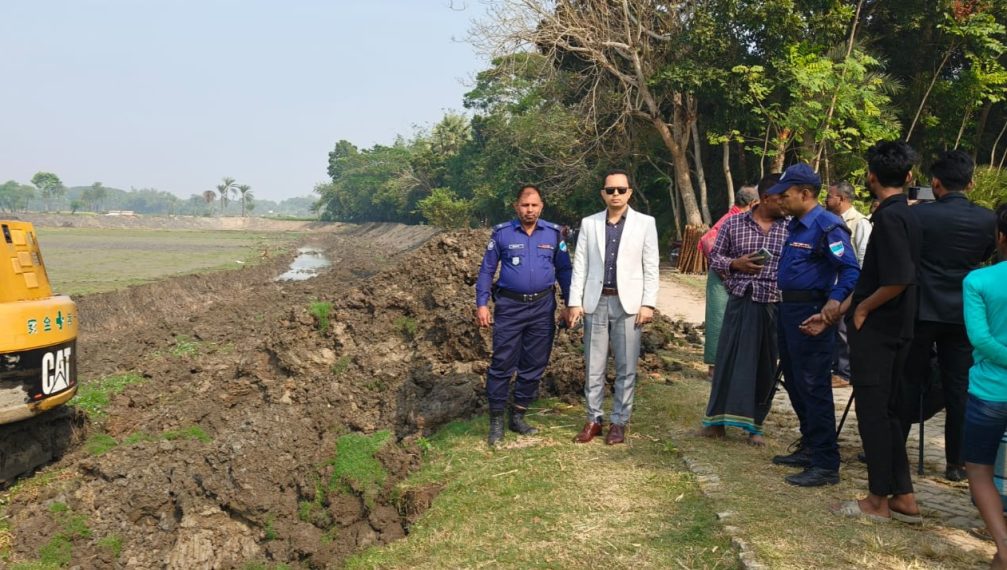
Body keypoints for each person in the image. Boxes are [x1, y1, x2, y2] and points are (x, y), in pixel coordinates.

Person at [818, 140, 922, 522]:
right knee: (888, 414)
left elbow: (898, 279)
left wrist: (862, 309)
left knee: (874, 415)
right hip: (897, 328)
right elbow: (874, 278)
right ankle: (904, 497)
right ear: (909, 176)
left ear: (871, 176)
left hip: (880, 332)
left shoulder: (890, 219)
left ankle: (877, 501)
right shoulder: (907, 214)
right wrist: (840, 309)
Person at [900, 149, 997, 481]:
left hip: (922, 308)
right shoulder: (987, 219)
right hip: (964, 312)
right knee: (959, 387)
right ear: (971, 183)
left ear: (935, 182)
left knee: (909, 379)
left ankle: (896, 450)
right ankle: (957, 462)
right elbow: (985, 254)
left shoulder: (918, 215)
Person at [768, 163, 860, 487]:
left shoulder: (827, 226)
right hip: (788, 310)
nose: (780, 199)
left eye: (785, 194)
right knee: (794, 381)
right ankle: (809, 446)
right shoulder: (796, 225)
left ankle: (825, 463)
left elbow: (850, 271)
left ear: (805, 194)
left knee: (813, 385)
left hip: (811, 312)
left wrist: (833, 303)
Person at [567, 169, 660, 445]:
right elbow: (580, 265)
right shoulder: (590, 224)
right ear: (603, 194)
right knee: (593, 366)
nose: (616, 194)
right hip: (595, 301)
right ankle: (593, 419)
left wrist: (648, 303)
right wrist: (574, 302)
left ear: (629, 192)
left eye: (621, 189)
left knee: (626, 366)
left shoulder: (645, 223)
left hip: (628, 304)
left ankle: (619, 421)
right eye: (610, 190)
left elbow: (651, 266)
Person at [475, 184, 572, 446]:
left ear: (541, 206)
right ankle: (496, 420)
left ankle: (518, 415)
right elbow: (486, 270)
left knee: (534, 363)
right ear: (516, 207)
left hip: (542, 307)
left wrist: (570, 304)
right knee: (502, 362)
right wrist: (482, 304)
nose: (530, 210)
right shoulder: (502, 234)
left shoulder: (554, 234)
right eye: (525, 205)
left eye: (534, 205)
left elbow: (564, 271)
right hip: (510, 307)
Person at [699, 175, 788, 445]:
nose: (785, 203)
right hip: (740, 300)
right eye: (781, 198)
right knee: (728, 361)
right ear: (765, 198)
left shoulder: (791, 227)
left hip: (772, 303)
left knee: (765, 365)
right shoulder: (734, 223)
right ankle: (716, 422)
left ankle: (755, 426)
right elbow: (715, 256)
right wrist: (735, 264)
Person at [962, 203, 1007, 570]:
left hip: (990, 390)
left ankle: (1004, 549)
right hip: (989, 390)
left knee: (978, 469)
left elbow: (980, 339)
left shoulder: (978, 281)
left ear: (1000, 237)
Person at [700, 185, 760, 380]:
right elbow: (706, 241)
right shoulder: (732, 219)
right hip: (722, 275)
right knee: (719, 319)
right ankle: (715, 367)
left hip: (730, 273)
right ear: (753, 203)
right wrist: (726, 267)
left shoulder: (735, 217)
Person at [824, 180, 873, 389]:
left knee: (844, 331)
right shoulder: (829, 221)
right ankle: (835, 368)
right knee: (833, 329)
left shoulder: (859, 222)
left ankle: (844, 373)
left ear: (841, 199)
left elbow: (863, 256)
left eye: (829, 196)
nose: (826, 200)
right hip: (833, 285)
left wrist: (856, 288)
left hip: (850, 285)